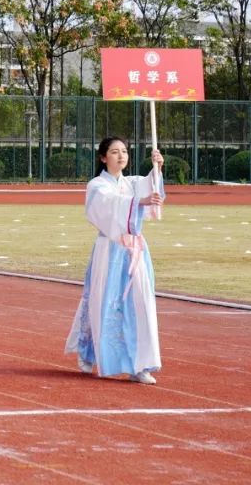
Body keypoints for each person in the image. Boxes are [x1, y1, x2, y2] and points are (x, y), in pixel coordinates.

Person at [66, 136, 165, 384]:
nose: (121, 156)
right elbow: (107, 205)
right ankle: (89, 351)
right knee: (104, 301)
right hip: (109, 251)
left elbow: (150, 189)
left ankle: (139, 365)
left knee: (139, 303)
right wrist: (138, 202)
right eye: (114, 152)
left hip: (135, 251)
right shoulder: (97, 185)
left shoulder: (132, 183)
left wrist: (157, 169)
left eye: (124, 151)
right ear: (103, 157)